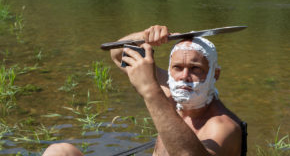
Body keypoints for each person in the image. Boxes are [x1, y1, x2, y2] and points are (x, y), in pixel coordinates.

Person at [43, 25, 243, 156]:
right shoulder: (172, 88)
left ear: (214, 75)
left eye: (195, 69)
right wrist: (144, 37)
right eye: (177, 68)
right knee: (59, 151)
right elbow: (118, 53)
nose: (184, 76)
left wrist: (150, 90)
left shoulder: (223, 126)